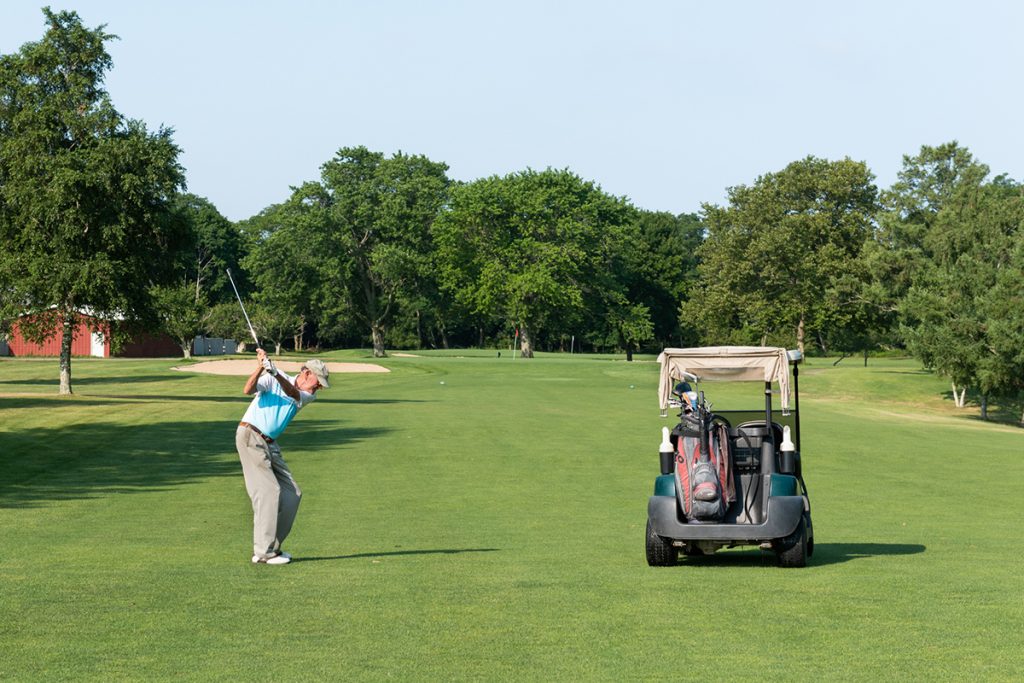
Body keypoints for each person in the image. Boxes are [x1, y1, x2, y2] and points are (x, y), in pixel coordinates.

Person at [235, 348, 330, 565]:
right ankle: (263, 552)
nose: (318, 388)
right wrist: (261, 366)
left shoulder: (307, 395)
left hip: (270, 443)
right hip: (251, 435)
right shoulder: (271, 377)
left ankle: (272, 548)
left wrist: (275, 372)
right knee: (268, 491)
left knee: (292, 493)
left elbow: (292, 393)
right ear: (306, 373)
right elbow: (247, 389)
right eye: (318, 381)